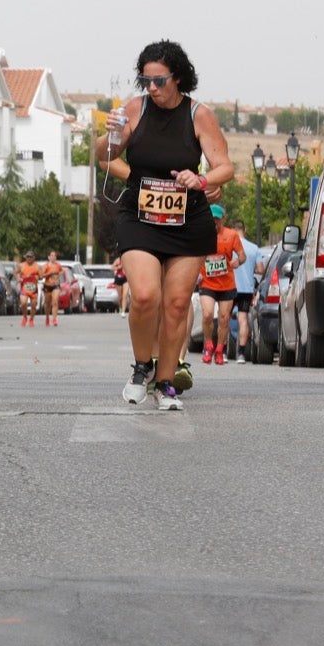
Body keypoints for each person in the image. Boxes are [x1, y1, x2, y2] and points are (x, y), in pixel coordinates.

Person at [93, 40, 233, 411]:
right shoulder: (134, 110)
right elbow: (104, 156)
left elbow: (225, 167)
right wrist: (110, 134)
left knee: (174, 305)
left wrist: (201, 181)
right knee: (144, 296)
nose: (152, 88)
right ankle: (142, 367)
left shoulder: (198, 115)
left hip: (188, 221)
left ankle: (166, 382)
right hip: (140, 217)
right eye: (146, 80)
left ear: (179, 78)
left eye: (159, 81)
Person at [197, 204, 245, 366]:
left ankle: (219, 349)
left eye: (217, 220)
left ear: (222, 219)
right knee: (207, 314)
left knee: (224, 319)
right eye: (211, 220)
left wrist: (237, 261)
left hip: (226, 284)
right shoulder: (201, 234)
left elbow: (242, 255)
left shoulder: (231, 235)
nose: (214, 223)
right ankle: (208, 345)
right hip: (207, 283)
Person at [229, 218, 261, 363]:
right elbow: (260, 269)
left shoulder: (229, 246)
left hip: (229, 287)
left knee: (224, 318)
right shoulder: (254, 248)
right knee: (243, 320)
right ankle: (241, 354)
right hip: (246, 289)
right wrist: (250, 268)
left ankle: (221, 352)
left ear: (232, 230)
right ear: (244, 230)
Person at [18, 251, 41, 327]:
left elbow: (41, 276)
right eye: (28, 257)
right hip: (24, 288)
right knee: (23, 303)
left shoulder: (37, 266)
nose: (29, 258)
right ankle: (25, 317)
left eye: (31, 257)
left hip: (33, 288)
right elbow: (15, 273)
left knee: (33, 305)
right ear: (25, 258)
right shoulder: (21, 265)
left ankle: (31, 319)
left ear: (34, 258)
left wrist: (38, 277)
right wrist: (18, 278)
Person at [41, 250, 64, 327]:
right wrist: (49, 273)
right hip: (47, 285)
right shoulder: (46, 266)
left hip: (56, 285)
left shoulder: (58, 265)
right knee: (47, 303)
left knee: (55, 302)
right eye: (52, 256)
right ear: (49, 257)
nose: (53, 257)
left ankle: (54, 319)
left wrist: (58, 274)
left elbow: (63, 271)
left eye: (54, 256)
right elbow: (41, 275)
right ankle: (47, 317)